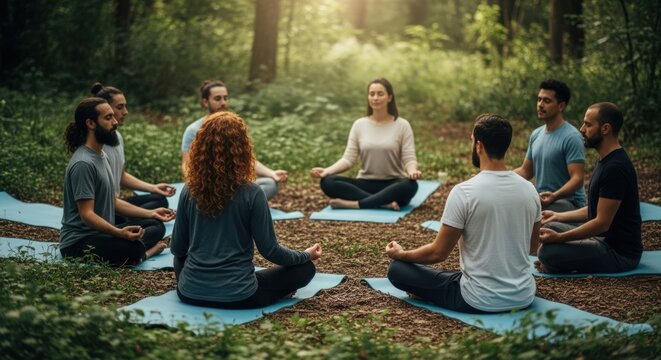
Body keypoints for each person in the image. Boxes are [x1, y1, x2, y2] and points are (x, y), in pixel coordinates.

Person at [386, 114, 541, 313]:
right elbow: (532, 247)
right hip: (523, 295)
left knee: (397, 270)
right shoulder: (529, 190)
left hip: (476, 299)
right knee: (448, 275)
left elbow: (438, 253)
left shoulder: (464, 192)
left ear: (478, 145)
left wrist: (402, 254)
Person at [171, 111, 321, 309]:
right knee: (304, 269)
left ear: (201, 147)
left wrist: (188, 283)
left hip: (189, 293)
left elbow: (178, 249)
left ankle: (197, 287)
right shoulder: (252, 192)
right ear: (242, 148)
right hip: (240, 296)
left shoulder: (189, 190)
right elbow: (270, 251)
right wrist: (305, 255)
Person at [60, 98, 176, 266]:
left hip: (103, 232)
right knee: (133, 248)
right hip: (79, 242)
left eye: (113, 117)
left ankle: (135, 250)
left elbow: (112, 201)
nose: (115, 122)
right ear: (91, 123)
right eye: (108, 118)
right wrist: (119, 233)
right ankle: (144, 253)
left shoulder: (101, 154)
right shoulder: (83, 164)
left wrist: (151, 213)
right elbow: (87, 215)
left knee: (155, 224)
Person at [536, 103, 642, 274]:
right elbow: (595, 209)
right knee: (552, 226)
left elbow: (602, 223)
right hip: (600, 240)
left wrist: (560, 238)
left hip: (618, 253)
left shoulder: (615, 168)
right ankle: (556, 261)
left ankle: (554, 262)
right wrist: (558, 215)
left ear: (605, 128)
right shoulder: (606, 161)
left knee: (547, 252)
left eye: (588, 124)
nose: (582, 129)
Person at [310, 78, 420, 210]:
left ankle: (356, 204)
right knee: (327, 182)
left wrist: (412, 172)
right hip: (365, 183)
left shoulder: (402, 125)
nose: (375, 98)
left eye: (380, 94)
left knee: (410, 185)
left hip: (393, 184)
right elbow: (348, 159)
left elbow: (409, 158)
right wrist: (327, 170)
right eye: (372, 94)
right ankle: (383, 203)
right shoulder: (359, 125)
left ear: (389, 97)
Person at [181, 80, 287, 200]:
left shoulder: (233, 128)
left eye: (225, 98)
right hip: (208, 187)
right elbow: (187, 166)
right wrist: (199, 186)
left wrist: (272, 173)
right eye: (218, 98)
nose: (223, 103)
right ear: (205, 102)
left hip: (234, 186)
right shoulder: (193, 130)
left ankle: (238, 204)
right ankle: (241, 205)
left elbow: (246, 159)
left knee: (269, 183)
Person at [91, 83, 176, 212]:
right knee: (154, 226)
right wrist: (149, 214)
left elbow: (121, 176)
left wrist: (153, 188)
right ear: (105, 109)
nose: (126, 112)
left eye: (125, 106)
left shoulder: (117, 136)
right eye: (120, 107)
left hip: (115, 203)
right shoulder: (97, 143)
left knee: (159, 200)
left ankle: (133, 219)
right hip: (103, 208)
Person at [514, 79, 586, 212]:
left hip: (569, 203)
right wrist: (497, 177)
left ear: (561, 106)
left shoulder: (572, 137)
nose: (540, 105)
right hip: (543, 201)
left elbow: (577, 178)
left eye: (547, 101)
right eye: (539, 100)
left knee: (521, 212)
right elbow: (526, 170)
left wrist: (554, 196)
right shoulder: (536, 134)